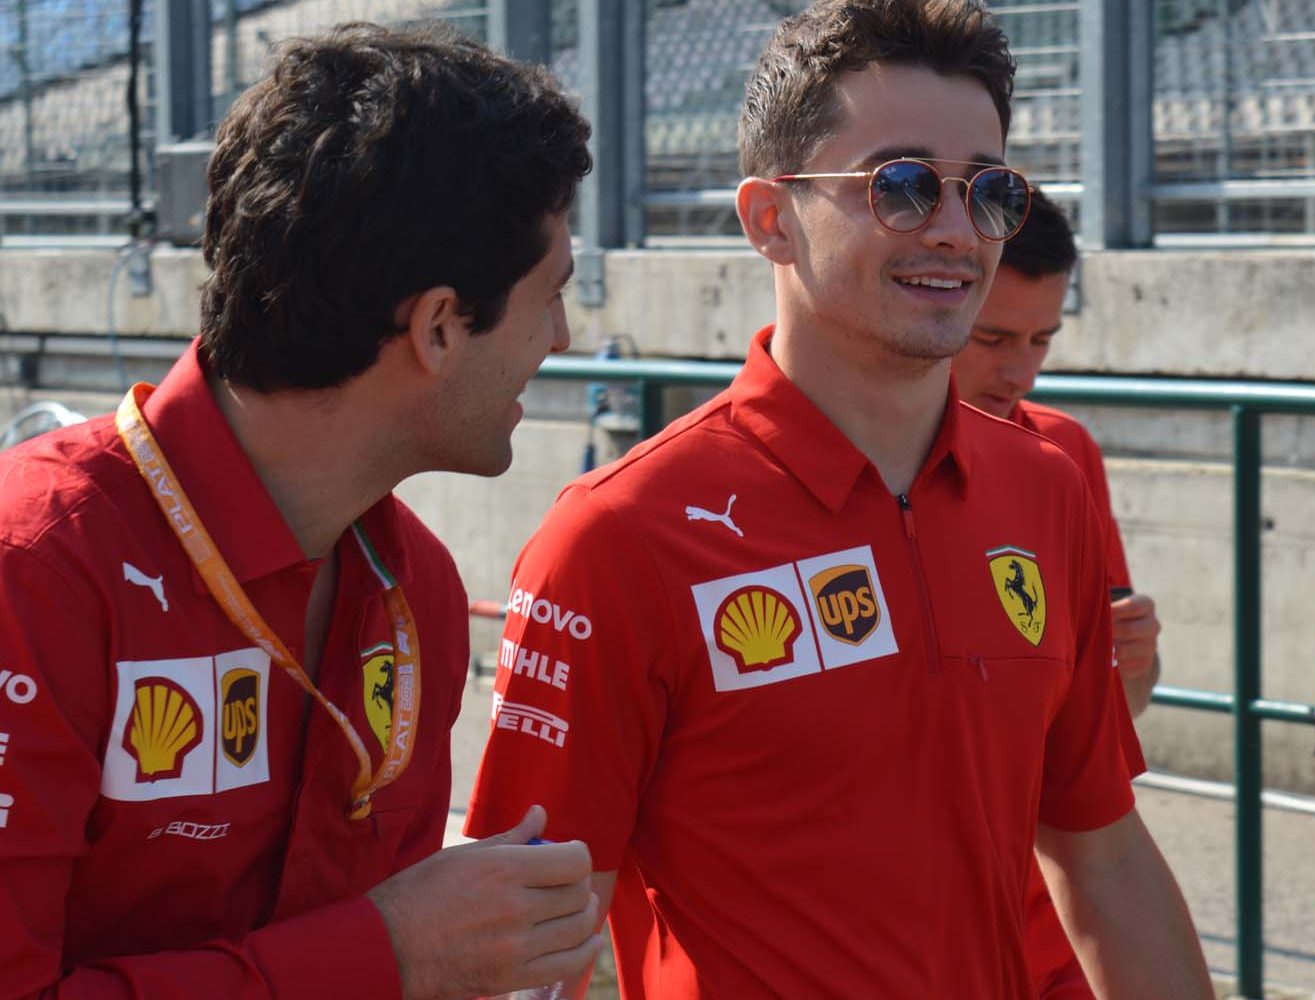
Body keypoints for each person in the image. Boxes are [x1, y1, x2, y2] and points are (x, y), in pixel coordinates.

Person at [464, 1, 1212, 997]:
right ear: (771, 220)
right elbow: (527, 948)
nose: (955, 231)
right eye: (901, 187)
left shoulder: (1047, 488)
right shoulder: (618, 535)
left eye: (987, 190)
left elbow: (1104, 855)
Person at [0, 24, 603, 1000]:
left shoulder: (418, 593)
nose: (564, 338)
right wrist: (391, 956)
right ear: (440, 326)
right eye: (553, 294)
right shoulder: (33, 569)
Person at [949, 187, 1159, 1000]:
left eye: (1042, 339)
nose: (1020, 370)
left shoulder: (1062, 452)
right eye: (993, 338)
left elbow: (1115, 716)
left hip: (1055, 931)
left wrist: (1134, 665)